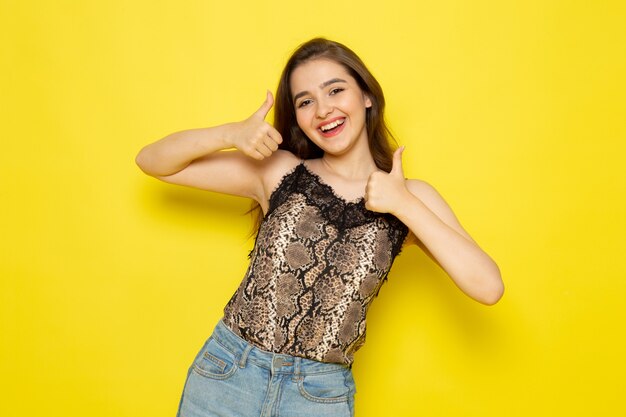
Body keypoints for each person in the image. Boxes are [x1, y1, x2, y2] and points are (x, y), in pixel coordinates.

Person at [136, 37, 503, 417]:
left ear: (366, 96)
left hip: (317, 395)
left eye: (336, 90)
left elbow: (488, 286)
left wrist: (404, 204)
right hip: (228, 375)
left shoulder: (411, 196)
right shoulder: (278, 170)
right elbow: (153, 161)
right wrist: (230, 134)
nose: (323, 110)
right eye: (306, 101)